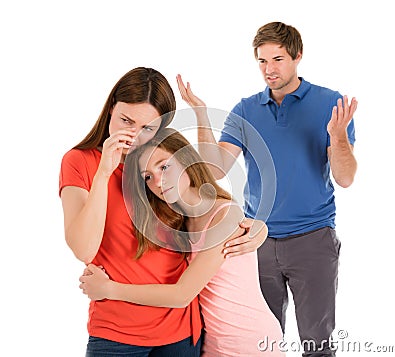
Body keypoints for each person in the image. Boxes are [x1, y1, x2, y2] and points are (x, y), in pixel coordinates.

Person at [176, 21, 357, 357]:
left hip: (312, 239)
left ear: (297, 56)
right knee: (261, 343)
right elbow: (214, 170)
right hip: (255, 241)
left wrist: (338, 136)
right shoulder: (246, 110)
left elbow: (345, 178)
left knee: (318, 345)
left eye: (278, 59)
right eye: (262, 61)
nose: (269, 70)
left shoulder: (330, 104)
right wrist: (201, 116)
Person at [59, 66, 266, 357]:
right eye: (125, 120)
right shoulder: (80, 162)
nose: (133, 135)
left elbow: (208, 183)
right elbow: (83, 248)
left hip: (181, 331)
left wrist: (258, 227)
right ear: (110, 111)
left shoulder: (158, 162)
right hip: (118, 330)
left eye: (147, 129)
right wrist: (104, 172)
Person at [79, 129, 285, 357]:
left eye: (164, 166)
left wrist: (108, 289)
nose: (157, 181)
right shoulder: (180, 224)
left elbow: (182, 294)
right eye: (147, 176)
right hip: (211, 344)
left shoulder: (223, 215)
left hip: (249, 341)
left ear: (186, 159)